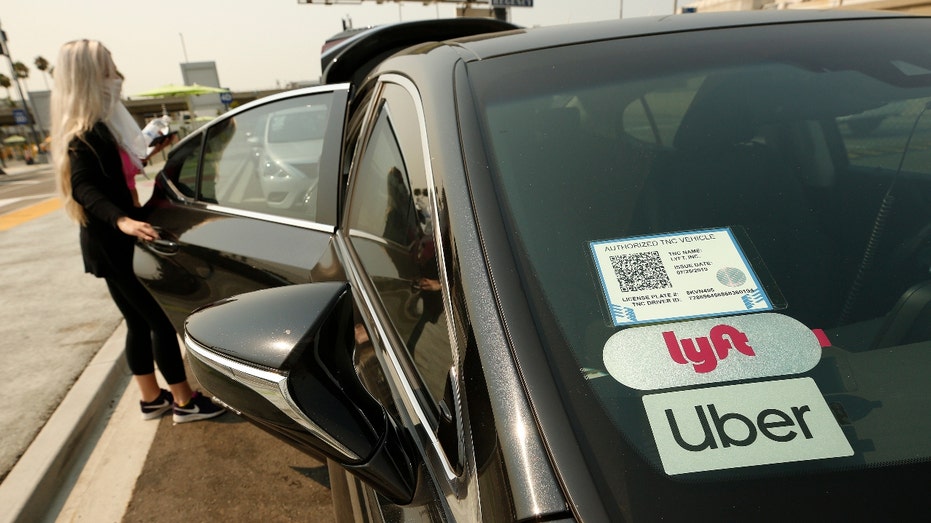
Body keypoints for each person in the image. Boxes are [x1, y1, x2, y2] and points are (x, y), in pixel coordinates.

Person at [50, 39, 225, 424]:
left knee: (137, 322)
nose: (119, 77)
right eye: (109, 70)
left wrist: (149, 150)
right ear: (90, 78)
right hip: (114, 242)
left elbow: (107, 178)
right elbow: (84, 188)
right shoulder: (87, 133)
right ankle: (184, 401)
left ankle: (151, 398)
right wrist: (122, 220)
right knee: (158, 321)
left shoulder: (98, 128)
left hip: (106, 244)